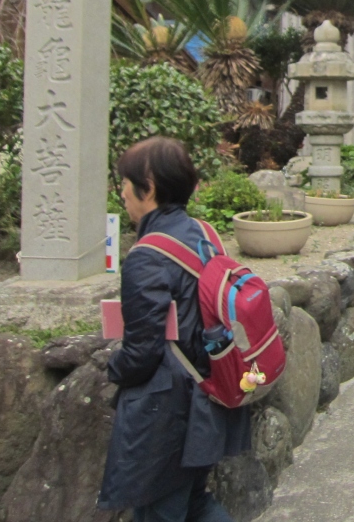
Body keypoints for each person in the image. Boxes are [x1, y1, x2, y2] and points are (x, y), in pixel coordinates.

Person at [98, 137, 251, 522]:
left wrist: (113, 369)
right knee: (194, 503)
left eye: (125, 184)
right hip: (208, 393)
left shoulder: (147, 257)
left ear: (148, 187)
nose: (122, 193)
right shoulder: (206, 235)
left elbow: (143, 351)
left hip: (168, 411)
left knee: (160, 510)